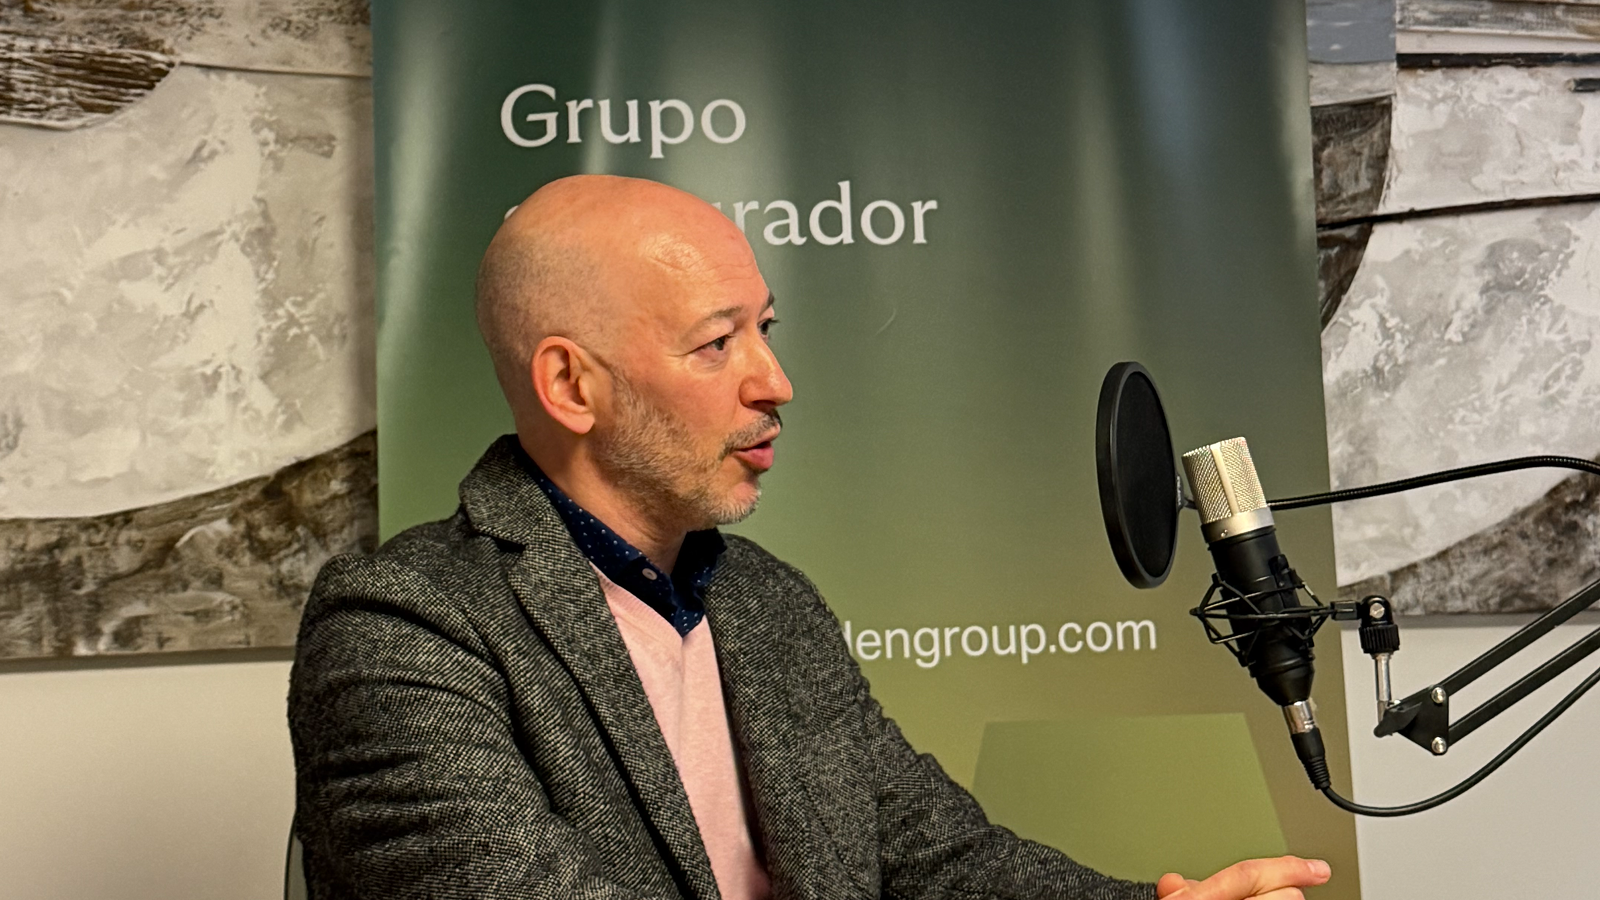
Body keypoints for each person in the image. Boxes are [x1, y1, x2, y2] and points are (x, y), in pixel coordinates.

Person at [288, 175, 1333, 900]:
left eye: (766, 328)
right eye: (717, 343)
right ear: (571, 384)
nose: (775, 382)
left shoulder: (767, 600)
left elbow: (935, 860)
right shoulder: (402, 628)